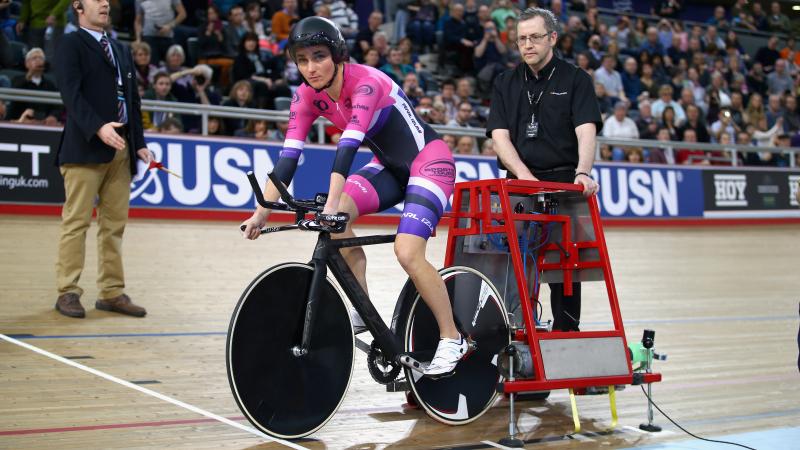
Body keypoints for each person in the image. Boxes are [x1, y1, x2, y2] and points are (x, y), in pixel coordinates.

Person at [240, 17, 466, 378]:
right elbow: (287, 158)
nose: (311, 68)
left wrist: (330, 207)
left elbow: (347, 148)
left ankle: (452, 337)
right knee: (339, 215)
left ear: (338, 54)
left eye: (319, 57)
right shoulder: (304, 96)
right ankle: (363, 303)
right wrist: (261, 213)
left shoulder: (365, 84)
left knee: (406, 252)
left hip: (429, 162)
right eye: (303, 60)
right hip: (389, 166)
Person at [486, 7, 601, 332]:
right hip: (520, 185)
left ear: (552, 38)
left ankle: (566, 332)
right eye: (521, 39)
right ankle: (517, 333)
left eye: (534, 37)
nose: (527, 44)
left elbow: (586, 128)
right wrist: (525, 178)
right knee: (515, 264)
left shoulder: (576, 79)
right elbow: (499, 136)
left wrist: (583, 172)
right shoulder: (505, 82)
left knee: (567, 269)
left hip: (565, 184)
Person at [53, 0, 154, 319]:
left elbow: (133, 100)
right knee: (77, 222)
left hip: (121, 149)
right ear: (78, 6)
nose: (106, 3)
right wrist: (97, 126)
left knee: (114, 226)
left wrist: (138, 142)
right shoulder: (70, 43)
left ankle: (111, 292)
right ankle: (67, 291)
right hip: (85, 147)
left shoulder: (121, 49)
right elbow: (71, 94)